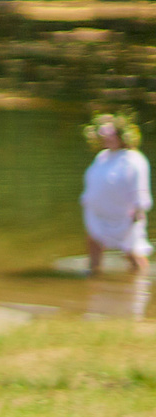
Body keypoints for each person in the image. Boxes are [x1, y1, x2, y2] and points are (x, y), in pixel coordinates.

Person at [81, 112, 152, 320]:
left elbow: (139, 188)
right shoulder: (102, 157)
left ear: (123, 136)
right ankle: (94, 276)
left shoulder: (134, 159)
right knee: (93, 241)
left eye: (112, 135)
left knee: (133, 251)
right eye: (105, 136)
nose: (107, 139)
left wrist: (139, 209)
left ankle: (141, 284)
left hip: (124, 215)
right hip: (99, 214)